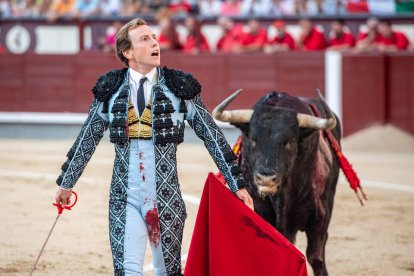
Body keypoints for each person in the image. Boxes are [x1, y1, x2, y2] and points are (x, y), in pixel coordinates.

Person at [54, 18, 253, 276]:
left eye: (154, 38)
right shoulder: (110, 89)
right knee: (127, 271)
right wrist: (66, 182)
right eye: (144, 39)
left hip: (166, 198)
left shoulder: (179, 87)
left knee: (167, 271)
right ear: (128, 52)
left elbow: (212, 135)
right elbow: (87, 137)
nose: (154, 43)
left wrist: (237, 183)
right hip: (123, 196)